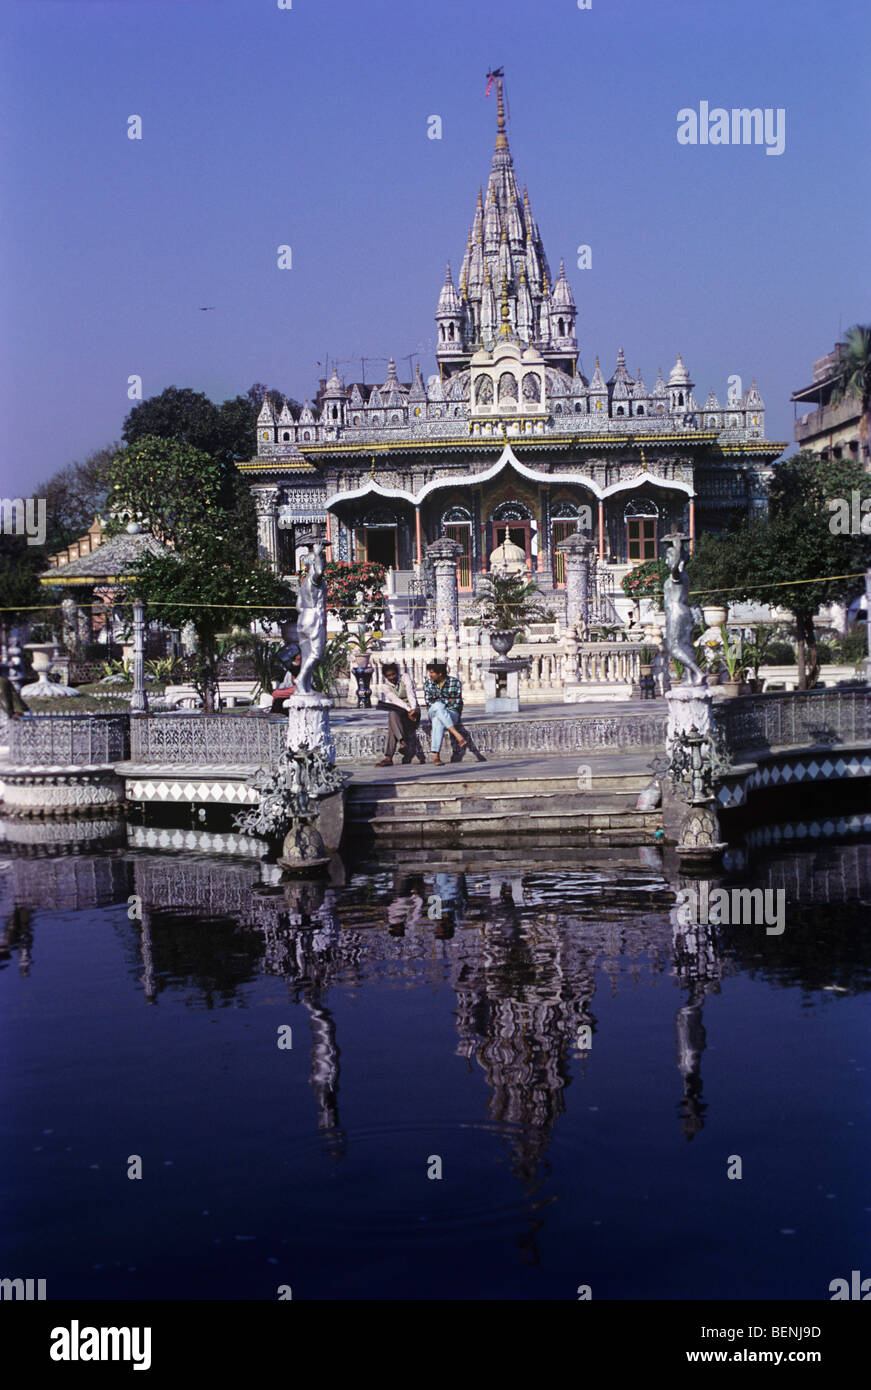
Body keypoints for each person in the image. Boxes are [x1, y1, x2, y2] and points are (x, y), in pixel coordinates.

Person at [374, 661, 420, 766]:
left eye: (393, 674)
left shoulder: (405, 677)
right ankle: (402, 742)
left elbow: (410, 693)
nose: (391, 677)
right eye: (388, 676)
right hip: (401, 712)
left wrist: (412, 709)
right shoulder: (385, 687)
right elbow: (395, 700)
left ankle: (389, 757)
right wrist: (407, 710)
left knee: (392, 723)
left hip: (413, 710)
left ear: (397, 672)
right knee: (392, 714)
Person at [423, 661, 467, 765]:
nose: (430, 675)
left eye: (432, 672)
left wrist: (441, 703)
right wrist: (446, 702)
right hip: (434, 710)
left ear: (440, 673)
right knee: (438, 706)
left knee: (438, 719)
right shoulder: (428, 683)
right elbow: (429, 702)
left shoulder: (455, 682)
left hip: (452, 713)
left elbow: (457, 702)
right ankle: (456, 734)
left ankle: (436, 756)